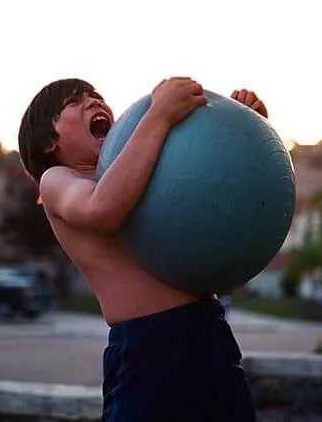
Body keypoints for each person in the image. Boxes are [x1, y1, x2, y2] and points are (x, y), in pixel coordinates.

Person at [17, 77, 269, 422]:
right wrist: (159, 116)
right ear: (49, 142)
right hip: (149, 345)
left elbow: (212, 191)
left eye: (96, 96)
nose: (93, 102)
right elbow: (101, 208)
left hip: (208, 331)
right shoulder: (59, 180)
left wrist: (241, 131)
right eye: (74, 102)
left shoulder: (142, 170)